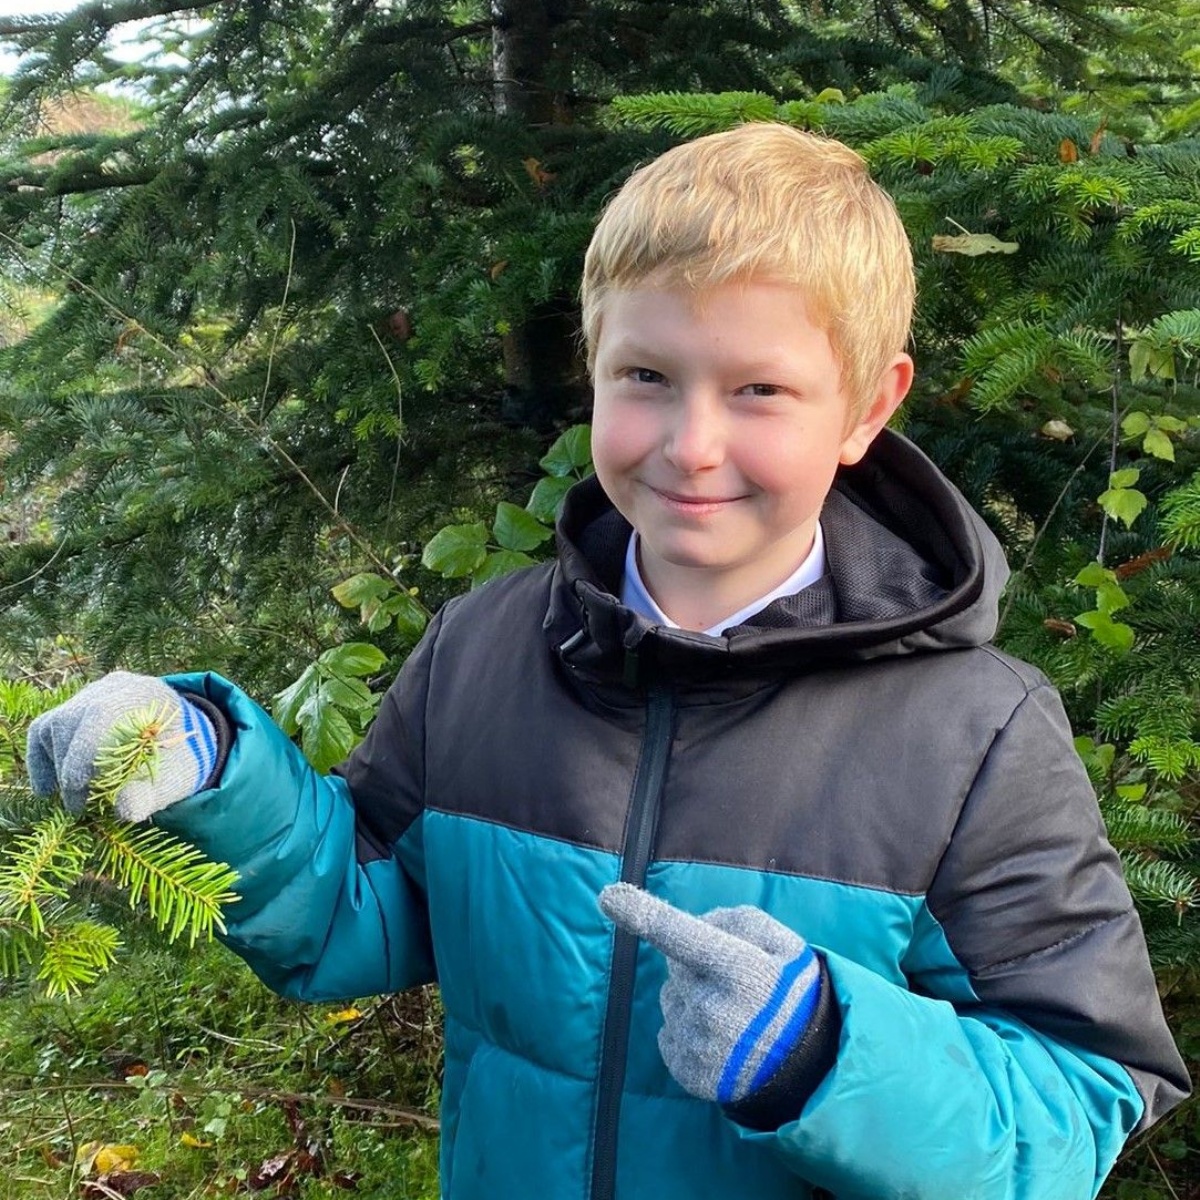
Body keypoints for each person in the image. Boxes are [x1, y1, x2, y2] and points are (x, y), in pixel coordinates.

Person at [27, 122, 1189, 1200]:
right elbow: (360, 912)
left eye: (760, 391)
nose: (692, 446)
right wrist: (211, 773)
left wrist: (829, 1056)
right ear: (594, 364)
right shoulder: (482, 650)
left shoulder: (971, 735)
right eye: (647, 377)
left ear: (866, 408)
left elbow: (1084, 1092)